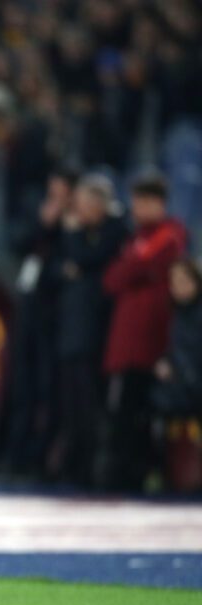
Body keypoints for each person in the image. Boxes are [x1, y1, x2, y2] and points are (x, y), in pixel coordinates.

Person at [101, 174, 188, 491]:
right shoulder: (137, 238)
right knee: (123, 412)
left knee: (139, 415)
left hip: (150, 340)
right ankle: (125, 474)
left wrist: (132, 269)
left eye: (141, 202)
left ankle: (139, 475)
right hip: (128, 341)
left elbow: (127, 272)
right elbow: (112, 280)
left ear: (157, 203)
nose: (135, 208)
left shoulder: (167, 236)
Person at [48, 175, 126, 486]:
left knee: (91, 405)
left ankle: (93, 470)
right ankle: (74, 466)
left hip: (95, 332)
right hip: (71, 331)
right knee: (71, 405)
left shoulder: (114, 230)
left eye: (84, 204)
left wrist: (74, 238)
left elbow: (84, 259)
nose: (78, 211)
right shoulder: (83, 233)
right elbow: (56, 269)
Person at [0, 167, 77, 477]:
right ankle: (14, 455)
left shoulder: (76, 223)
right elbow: (17, 242)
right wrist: (43, 225)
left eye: (61, 191)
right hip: (30, 309)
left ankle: (42, 458)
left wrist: (63, 228)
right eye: (52, 190)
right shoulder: (39, 211)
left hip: (56, 316)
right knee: (21, 384)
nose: (55, 197)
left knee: (49, 388)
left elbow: (70, 265)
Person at [151, 258, 202, 418]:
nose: (179, 287)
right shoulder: (177, 315)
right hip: (182, 389)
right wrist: (166, 362)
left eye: (184, 280)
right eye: (174, 282)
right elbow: (176, 348)